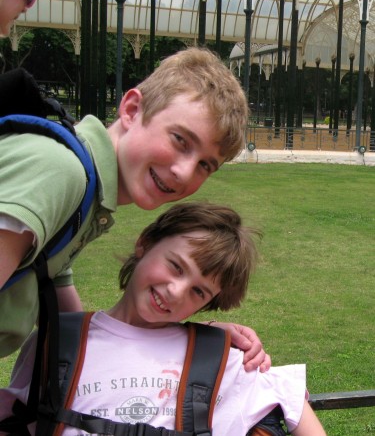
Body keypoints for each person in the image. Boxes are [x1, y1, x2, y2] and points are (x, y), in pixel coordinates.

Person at [0, 47, 270, 370]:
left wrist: (193, 342)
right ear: (131, 109)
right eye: (180, 140)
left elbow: (79, 333)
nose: (184, 172)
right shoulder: (63, 173)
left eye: (204, 165)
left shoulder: (86, 194)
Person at [0, 202, 326, 436]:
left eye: (198, 292)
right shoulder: (54, 343)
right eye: (176, 266)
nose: (176, 291)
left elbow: (290, 400)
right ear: (145, 243)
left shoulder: (222, 355)